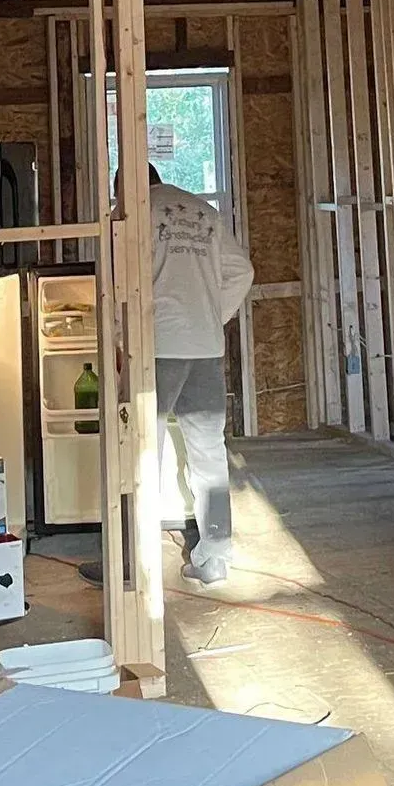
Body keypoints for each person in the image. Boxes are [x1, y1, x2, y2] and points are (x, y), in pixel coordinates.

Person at [144, 164, 252, 585]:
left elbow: (118, 281)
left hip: (158, 346)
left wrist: (119, 338)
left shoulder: (133, 210)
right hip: (205, 347)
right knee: (208, 449)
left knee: (141, 452)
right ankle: (216, 557)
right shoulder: (202, 210)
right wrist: (212, 317)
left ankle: (141, 558)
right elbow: (242, 271)